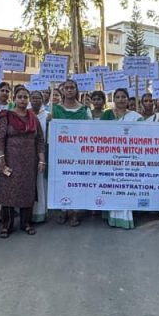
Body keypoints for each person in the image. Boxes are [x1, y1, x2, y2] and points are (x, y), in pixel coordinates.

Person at [0, 85, 45, 237]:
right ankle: (6, 225)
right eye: (20, 97)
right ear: (14, 99)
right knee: (8, 192)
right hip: (9, 160)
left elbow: (40, 140)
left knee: (27, 191)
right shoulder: (6, 116)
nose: (22, 100)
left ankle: (25, 223)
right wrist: (1, 158)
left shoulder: (33, 118)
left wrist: (42, 160)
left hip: (29, 161)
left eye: (25, 97)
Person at [101, 87, 142, 229]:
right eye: (117, 97)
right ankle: (111, 215)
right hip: (110, 156)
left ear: (128, 99)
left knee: (125, 186)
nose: (120, 99)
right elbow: (98, 132)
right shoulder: (107, 114)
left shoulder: (136, 117)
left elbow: (144, 135)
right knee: (111, 186)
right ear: (113, 99)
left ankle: (125, 216)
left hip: (129, 157)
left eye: (123, 97)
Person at [51, 79, 90, 226]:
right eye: (66, 87)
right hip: (61, 152)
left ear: (76, 90)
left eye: (72, 87)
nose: (69, 90)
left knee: (77, 182)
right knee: (62, 181)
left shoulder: (84, 110)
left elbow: (90, 131)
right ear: (62, 90)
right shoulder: (55, 110)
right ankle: (63, 209)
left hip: (79, 152)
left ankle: (75, 212)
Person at [30, 90, 50, 225]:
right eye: (33, 97)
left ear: (42, 100)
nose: (36, 100)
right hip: (28, 151)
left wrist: (49, 123)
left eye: (38, 98)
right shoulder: (26, 114)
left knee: (41, 182)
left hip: (43, 151)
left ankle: (41, 212)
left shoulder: (47, 115)